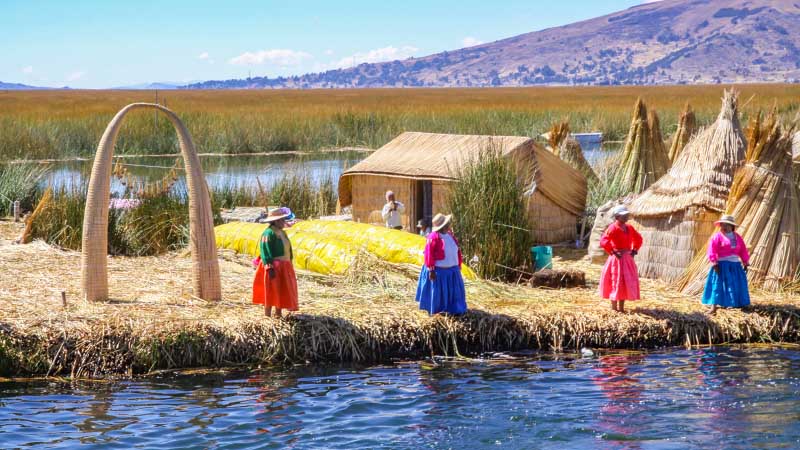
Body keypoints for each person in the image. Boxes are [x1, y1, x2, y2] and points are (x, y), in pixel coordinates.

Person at [415, 213, 467, 315]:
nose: (449, 224)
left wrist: (458, 265)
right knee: (439, 294)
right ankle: (438, 309)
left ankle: (454, 309)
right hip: (439, 272)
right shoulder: (433, 237)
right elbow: (428, 253)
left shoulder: (450, 236)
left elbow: (456, 251)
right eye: (447, 223)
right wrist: (431, 269)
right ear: (443, 225)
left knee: (454, 294)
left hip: (452, 271)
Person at [252, 208, 298, 318]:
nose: (284, 222)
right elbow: (265, 250)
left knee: (281, 290)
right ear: (276, 221)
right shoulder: (268, 233)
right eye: (282, 220)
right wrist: (269, 266)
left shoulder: (282, 232)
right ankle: (267, 315)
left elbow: (288, 249)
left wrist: (289, 263)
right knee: (271, 290)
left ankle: (278, 314)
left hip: (284, 266)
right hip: (274, 267)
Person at [702, 214, 750, 315]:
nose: (724, 226)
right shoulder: (717, 237)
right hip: (721, 265)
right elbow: (712, 249)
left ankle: (732, 304)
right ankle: (713, 307)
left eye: (727, 225)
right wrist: (714, 262)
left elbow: (743, 250)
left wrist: (745, 261)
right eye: (722, 224)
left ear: (732, 226)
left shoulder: (737, 237)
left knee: (734, 284)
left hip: (735, 265)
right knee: (718, 284)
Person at [599, 205, 642, 313]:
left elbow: (638, 238)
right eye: (624, 215)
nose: (626, 217)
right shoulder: (612, 228)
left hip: (627, 259)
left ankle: (621, 308)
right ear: (617, 216)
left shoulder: (629, 228)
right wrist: (613, 251)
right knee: (616, 281)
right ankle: (614, 308)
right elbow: (604, 241)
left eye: (627, 215)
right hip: (616, 260)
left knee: (624, 282)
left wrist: (634, 250)